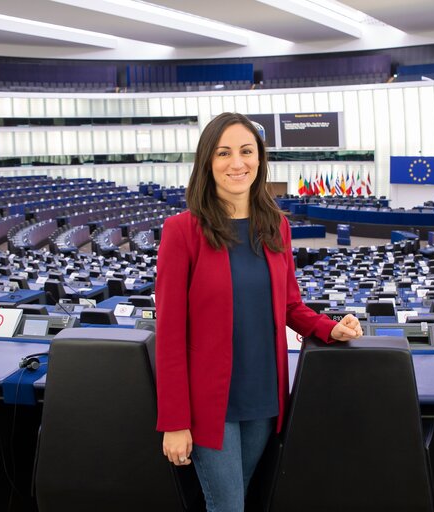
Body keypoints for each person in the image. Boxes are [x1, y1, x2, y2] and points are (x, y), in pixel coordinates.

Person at [155, 112, 363, 512]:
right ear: (207, 163)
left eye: (247, 151)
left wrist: (329, 329)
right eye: (224, 153)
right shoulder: (182, 231)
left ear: (260, 159)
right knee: (229, 506)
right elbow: (169, 333)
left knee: (239, 499)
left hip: (264, 396)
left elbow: (289, 305)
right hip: (209, 404)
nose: (237, 163)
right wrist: (175, 421)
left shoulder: (275, 227)